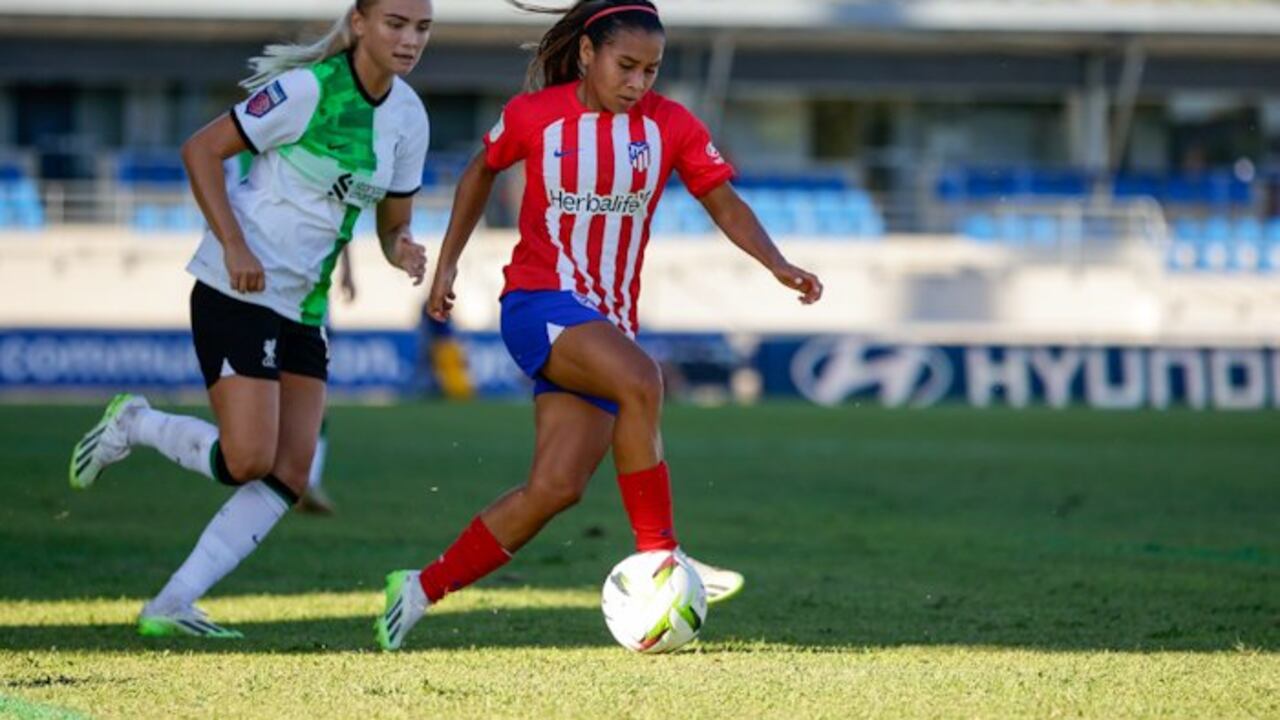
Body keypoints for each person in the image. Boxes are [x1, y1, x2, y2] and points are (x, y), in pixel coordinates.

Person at [374, 0, 823, 651]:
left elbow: (722, 200)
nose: (640, 82)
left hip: (604, 322)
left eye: (652, 70)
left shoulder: (671, 126)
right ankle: (664, 556)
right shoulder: (534, 116)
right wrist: (447, 266)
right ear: (588, 53)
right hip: (537, 304)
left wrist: (777, 263)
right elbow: (479, 173)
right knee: (643, 379)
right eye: (627, 65)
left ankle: (417, 588)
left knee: (554, 490)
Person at [68, 0, 434, 638]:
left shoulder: (409, 117)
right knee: (247, 459)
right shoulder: (305, 90)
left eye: (422, 28)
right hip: (237, 288)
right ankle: (135, 423)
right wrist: (235, 244)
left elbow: (390, 221)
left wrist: (400, 247)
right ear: (359, 23)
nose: (410, 40)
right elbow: (200, 150)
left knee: (290, 473)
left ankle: (171, 603)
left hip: (305, 308)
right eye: (396, 23)